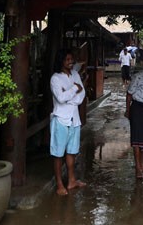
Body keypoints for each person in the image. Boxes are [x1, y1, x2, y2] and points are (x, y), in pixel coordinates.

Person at [49, 49, 87, 196]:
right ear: (61, 61)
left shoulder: (76, 75)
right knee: (58, 153)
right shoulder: (55, 78)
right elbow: (60, 97)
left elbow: (81, 95)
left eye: (72, 59)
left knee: (72, 152)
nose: (71, 62)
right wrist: (73, 90)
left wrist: (70, 94)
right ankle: (59, 184)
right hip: (61, 119)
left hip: (74, 118)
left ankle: (72, 181)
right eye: (67, 59)